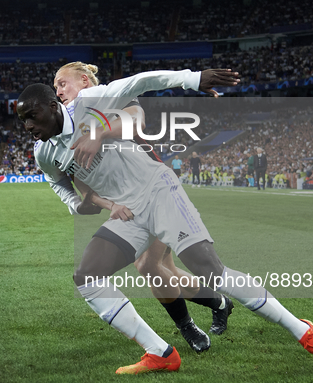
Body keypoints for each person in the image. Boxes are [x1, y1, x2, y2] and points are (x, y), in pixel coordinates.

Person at [17, 70, 313, 374]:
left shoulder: (91, 102)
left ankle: (303, 331)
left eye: (32, 116)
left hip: (158, 192)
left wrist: (193, 78)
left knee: (209, 269)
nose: (28, 126)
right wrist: (77, 203)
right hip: (128, 212)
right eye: (22, 120)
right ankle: (159, 352)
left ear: (52, 106)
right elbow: (57, 182)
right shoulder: (43, 151)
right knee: (87, 276)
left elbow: (141, 82)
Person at [53, 62, 234, 354]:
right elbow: (79, 183)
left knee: (151, 266)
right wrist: (95, 203)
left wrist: (191, 79)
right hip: (128, 201)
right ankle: (219, 303)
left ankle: (190, 324)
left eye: (62, 83)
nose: (58, 91)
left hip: (153, 191)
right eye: (55, 87)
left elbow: (136, 117)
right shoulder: (69, 128)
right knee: (164, 269)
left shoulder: (108, 99)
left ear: (84, 80)